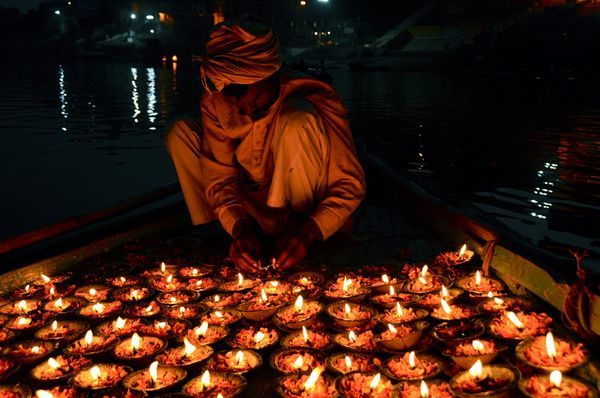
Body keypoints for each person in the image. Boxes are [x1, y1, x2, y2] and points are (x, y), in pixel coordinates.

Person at [164, 15, 366, 274]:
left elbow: (350, 185)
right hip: (254, 210)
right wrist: (240, 227)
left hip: (306, 218)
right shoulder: (218, 102)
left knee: (298, 121)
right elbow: (220, 179)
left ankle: (296, 243)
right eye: (229, 93)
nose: (237, 104)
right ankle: (232, 239)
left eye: (241, 91)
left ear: (268, 75)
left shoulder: (315, 96)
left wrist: (307, 233)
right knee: (180, 131)